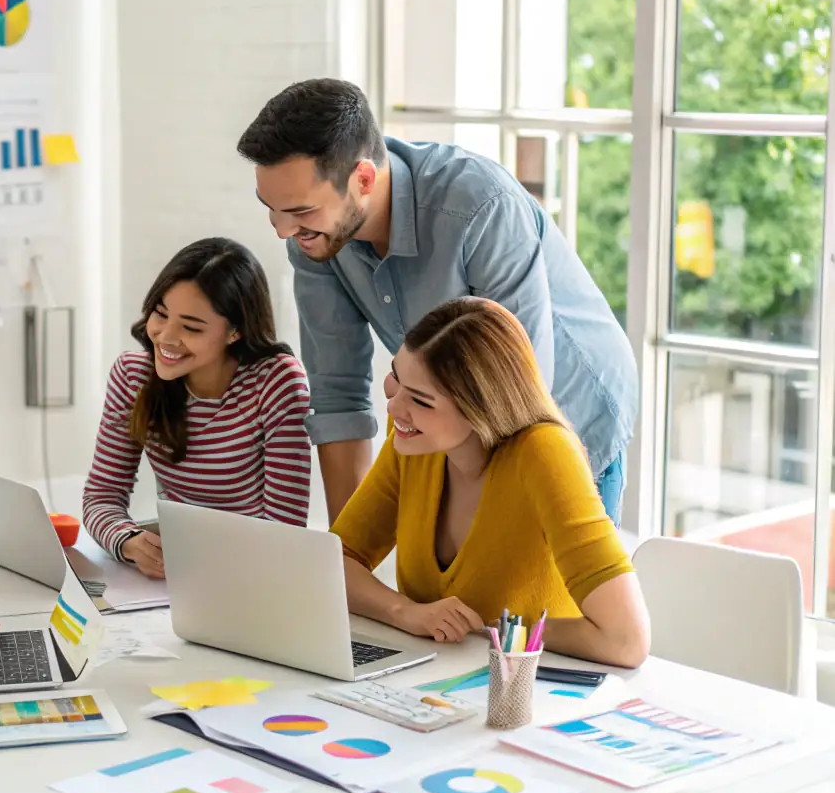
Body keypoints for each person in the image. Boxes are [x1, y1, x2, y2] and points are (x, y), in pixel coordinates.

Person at [238, 78, 638, 525]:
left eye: (300, 211)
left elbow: (521, 395)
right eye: (270, 208)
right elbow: (338, 398)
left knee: (547, 588)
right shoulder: (316, 239)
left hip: (566, 404)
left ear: (363, 179)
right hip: (461, 420)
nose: (281, 231)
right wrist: (346, 562)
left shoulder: (480, 208)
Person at [332, 297, 649, 668]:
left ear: (481, 408)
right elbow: (334, 562)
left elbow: (626, 640)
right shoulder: (415, 443)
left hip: (528, 695)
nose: (394, 408)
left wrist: (498, 631)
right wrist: (405, 612)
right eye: (397, 379)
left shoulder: (545, 453)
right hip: (432, 681)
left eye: (420, 400)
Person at [82, 237, 312, 579]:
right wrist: (128, 541)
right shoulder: (133, 375)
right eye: (161, 314)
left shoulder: (276, 382)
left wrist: (200, 562)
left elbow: (284, 532)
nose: (166, 337)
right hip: (179, 571)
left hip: (252, 575)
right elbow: (102, 496)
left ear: (235, 331)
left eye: (191, 327)